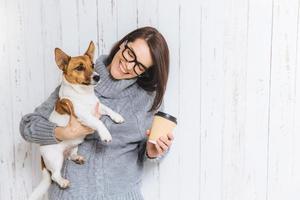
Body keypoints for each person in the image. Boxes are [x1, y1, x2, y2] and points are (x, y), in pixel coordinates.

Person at [19, 26, 174, 200]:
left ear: (146, 71)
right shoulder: (75, 83)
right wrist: (64, 132)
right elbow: (27, 126)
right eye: (130, 54)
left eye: (139, 66)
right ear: (123, 44)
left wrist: (151, 152)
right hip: (71, 196)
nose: (128, 65)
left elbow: (148, 148)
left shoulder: (147, 98)